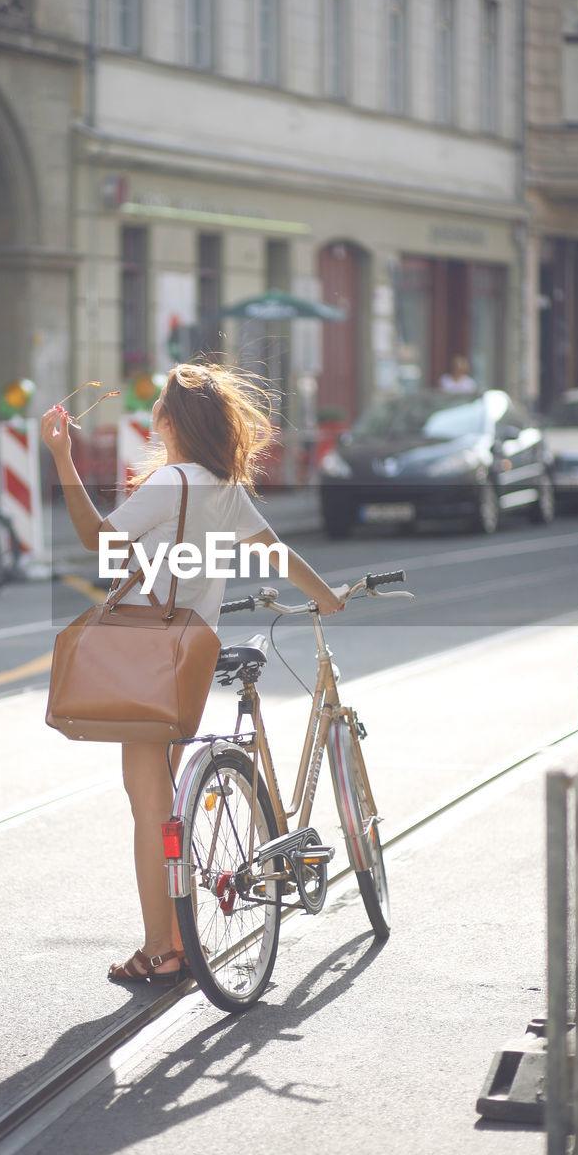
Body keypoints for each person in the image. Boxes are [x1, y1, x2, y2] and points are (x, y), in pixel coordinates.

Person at [40, 362, 345, 986]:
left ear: (169, 422)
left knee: (150, 804)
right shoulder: (222, 487)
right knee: (161, 795)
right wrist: (329, 596)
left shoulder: (174, 482)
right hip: (192, 652)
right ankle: (178, 932)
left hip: (148, 647)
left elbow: (98, 542)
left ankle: (163, 949)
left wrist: (61, 457)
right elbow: (278, 555)